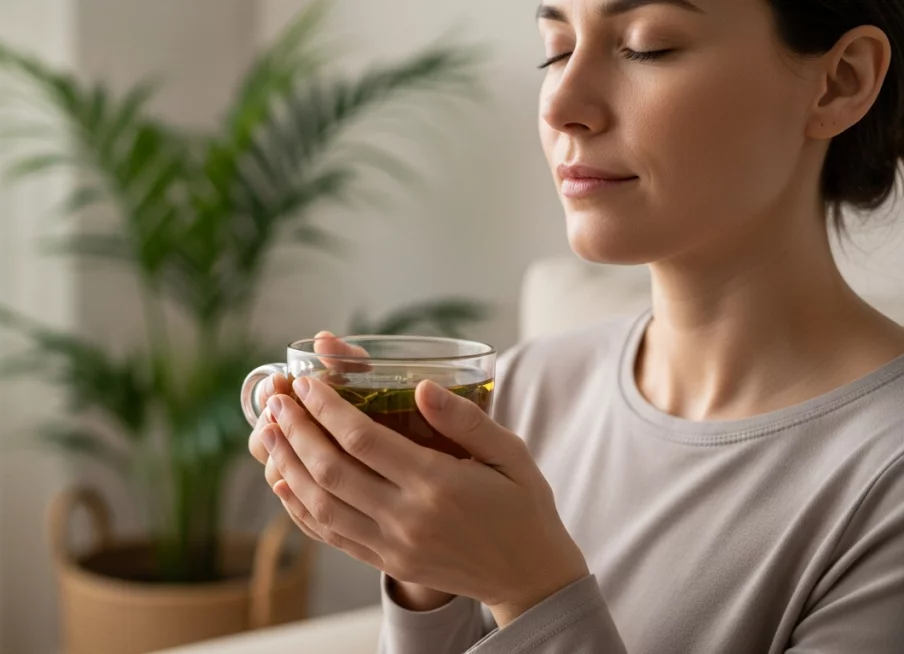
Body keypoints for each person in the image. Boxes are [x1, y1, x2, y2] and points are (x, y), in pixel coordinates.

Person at [247, 0, 904, 651]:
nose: (562, 103)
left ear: (841, 81)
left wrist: (530, 590)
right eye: (556, 48)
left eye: (648, 45)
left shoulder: (887, 479)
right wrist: (424, 575)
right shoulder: (529, 388)